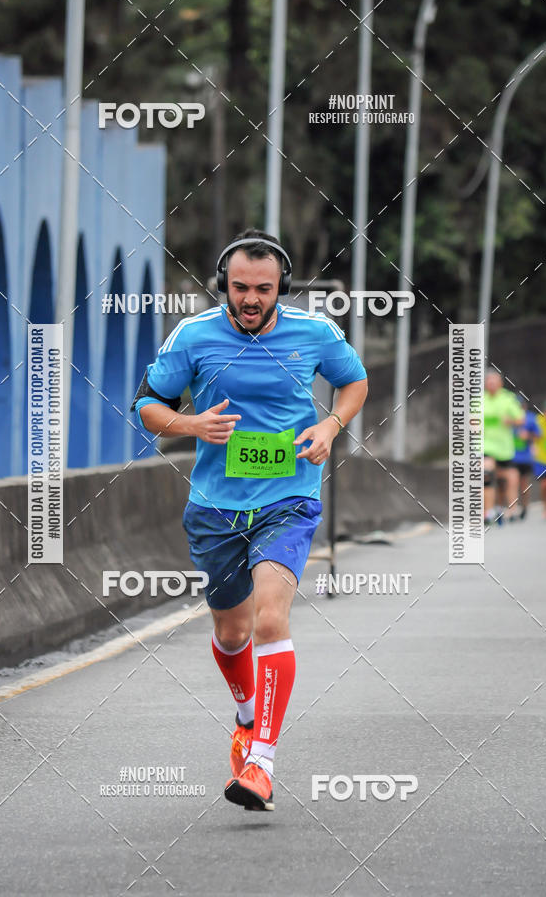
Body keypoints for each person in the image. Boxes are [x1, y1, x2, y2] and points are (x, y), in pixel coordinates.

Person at [131, 229, 368, 812]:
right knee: (232, 632)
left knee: (269, 619)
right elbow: (146, 405)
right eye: (240, 288)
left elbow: (353, 382)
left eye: (263, 288)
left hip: (288, 499)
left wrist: (331, 427)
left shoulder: (315, 332)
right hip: (215, 505)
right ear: (223, 285)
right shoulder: (194, 334)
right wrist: (190, 426)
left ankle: (261, 761)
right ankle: (244, 715)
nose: (251, 299)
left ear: (281, 286)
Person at [483, 369, 524, 524]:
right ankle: (487, 512)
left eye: (495, 381)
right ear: (486, 384)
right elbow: (471, 420)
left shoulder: (508, 399)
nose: (492, 383)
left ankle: (512, 509)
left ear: (500, 383)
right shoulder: (479, 400)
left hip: (504, 448)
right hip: (486, 445)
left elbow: (520, 420)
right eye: (489, 381)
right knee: (485, 473)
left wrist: (511, 421)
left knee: (510, 479)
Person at [512, 396, 540, 520]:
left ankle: (524, 507)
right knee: (512, 483)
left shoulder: (530, 418)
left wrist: (527, 436)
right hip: (510, 456)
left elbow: (538, 436)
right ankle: (511, 508)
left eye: (521, 406)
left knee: (524, 483)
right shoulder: (510, 418)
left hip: (525, 457)